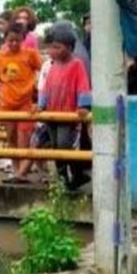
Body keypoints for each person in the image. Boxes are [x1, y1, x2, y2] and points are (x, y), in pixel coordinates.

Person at [40, 25, 92, 190]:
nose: (52, 51)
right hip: (51, 113)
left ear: (69, 47)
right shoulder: (53, 66)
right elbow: (45, 87)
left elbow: (83, 86)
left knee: (64, 145)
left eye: (57, 47)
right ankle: (63, 179)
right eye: (50, 47)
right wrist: (41, 105)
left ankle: (77, 173)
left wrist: (83, 105)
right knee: (55, 146)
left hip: (67, 114)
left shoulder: (76, 65)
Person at [0, 26, 42, 184]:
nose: (13, 43)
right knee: (11, 137)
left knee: (24, 137)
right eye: (10, 40)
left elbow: (42, 70)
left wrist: (38, 94)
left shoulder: (30, 54)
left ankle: (22, 172)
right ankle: (16, 170)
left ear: (23, 39)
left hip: (25, 102)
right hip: (6, 101)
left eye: (17, 40)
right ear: (5, 39)